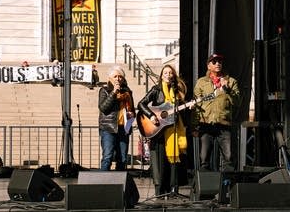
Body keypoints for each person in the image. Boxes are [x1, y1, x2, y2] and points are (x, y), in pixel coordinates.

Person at [137, 64, 188, 194]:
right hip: (158, 131)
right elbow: (141, 104)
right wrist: (151, 116)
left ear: (173, 76)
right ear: (161, 76)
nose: (168, 75)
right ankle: (160, 192)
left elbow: (180, 112)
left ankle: (173, 190)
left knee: (172, 162)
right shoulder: (156, 90)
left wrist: (188, 107)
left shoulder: (177, 92)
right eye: (165, 73)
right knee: (160, 163)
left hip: (173, 130)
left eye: (170, 73)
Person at [192, 53, 240, 172]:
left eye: (219, 62)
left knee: (228, 159)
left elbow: (238, 102)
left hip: (224, 125)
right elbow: (195, 105)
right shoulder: (201, 82)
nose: (217, 64)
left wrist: (227, 89)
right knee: (204, 159)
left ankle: (227, 188)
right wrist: (194, 125)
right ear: (208, 66)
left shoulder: (231, 81)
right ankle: (205, 188)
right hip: (206, 124)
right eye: (214, 62)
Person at [98, 65, 136, 171]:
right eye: (115, 76)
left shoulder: (127, 92)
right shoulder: (104, 90)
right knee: (107, 157)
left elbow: (132, 109)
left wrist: (132, 114)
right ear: (110, 78)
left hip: (124, 128)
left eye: (120, 76)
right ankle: (103, 184)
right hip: (108, 128)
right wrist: (113, 93)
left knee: (122, 158)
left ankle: (120, 184)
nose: (118, 79)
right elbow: (103, 108)